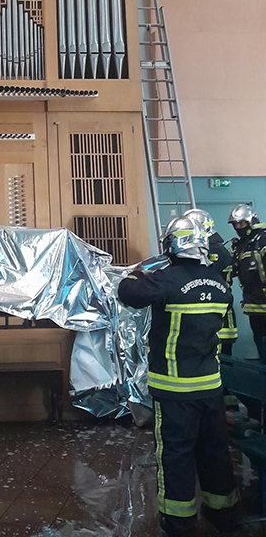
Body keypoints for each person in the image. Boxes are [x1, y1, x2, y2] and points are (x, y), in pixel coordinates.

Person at [119, 215, 238, 536]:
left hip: (174, 390)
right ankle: (223, 512)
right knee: (214, 450)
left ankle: (179, 520)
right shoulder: (219, 285)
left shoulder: (166, 280)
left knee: (175, 454)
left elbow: (127, 292)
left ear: (171, 246)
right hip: (210, 387)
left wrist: (139, 272)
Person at [185, 209, 237, 355]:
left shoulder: (216, 251)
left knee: (222, 366)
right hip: (209, 316)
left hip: (221, 320)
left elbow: (201, 276)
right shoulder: (207, 248)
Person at [228, 204, 266, 356]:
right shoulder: (240, 246)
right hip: (253, 306)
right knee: (260, 344)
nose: (238, 227)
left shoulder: (263, 240)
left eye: (241, 223)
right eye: (235, 224)